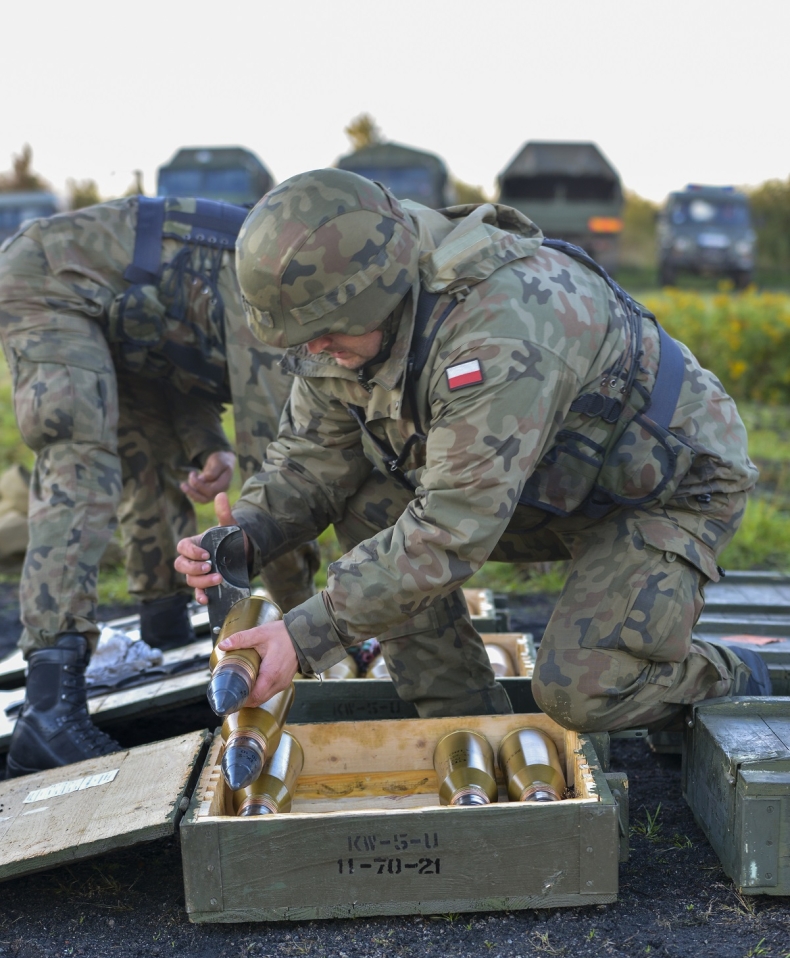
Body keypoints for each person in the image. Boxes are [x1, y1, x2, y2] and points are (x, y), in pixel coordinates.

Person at [176, 168, 765, 732]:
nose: (319, 350)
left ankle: (736, 676)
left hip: (662, 491)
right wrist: (249, 533)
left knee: (582, 689)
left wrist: (305, 637)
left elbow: (452, 531)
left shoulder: (498, 334)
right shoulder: (346, 308)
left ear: (380, 295)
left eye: (327, 333)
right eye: (307, 339)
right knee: (367, 495)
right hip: (544, 482)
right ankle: (467, 727)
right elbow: (312, 457)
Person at [0, 195, 319, 776]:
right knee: (81, 456)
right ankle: (48, 712)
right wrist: (306, 624)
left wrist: (205, 447)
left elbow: (181, 375)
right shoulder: (275, 282)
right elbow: (284, 465)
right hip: (55, 280)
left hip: (126, 326)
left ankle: (163, 629)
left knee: (150, 458)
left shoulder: (267, 277)